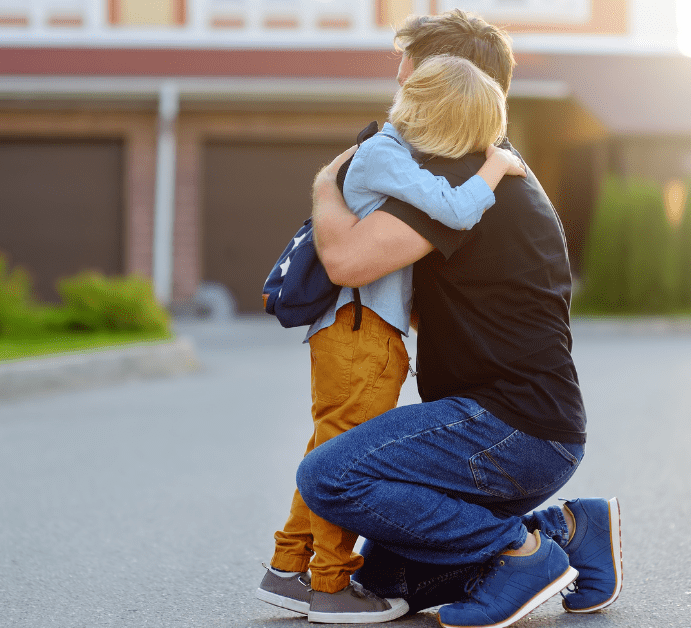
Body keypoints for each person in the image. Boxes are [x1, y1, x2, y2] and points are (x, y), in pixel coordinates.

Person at [291, 10, 622, 627]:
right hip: (526, 429)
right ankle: (571, 529)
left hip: (507, 429)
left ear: (444, 78)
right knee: (391, 576)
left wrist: (325, 184)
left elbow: (345, 260)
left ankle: (520, 553)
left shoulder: (456, 173)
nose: (398, 77)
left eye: (408, 66)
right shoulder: (485, 164)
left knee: (330, 478)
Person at [256, 54, 531, 623]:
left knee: (326, 450)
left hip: (358, 333)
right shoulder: (385, 153)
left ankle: (287, 568)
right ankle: (330, 584)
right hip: (361, 334)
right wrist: (495, 169)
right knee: (341, 463)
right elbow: (455, 209)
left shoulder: (385, 153)